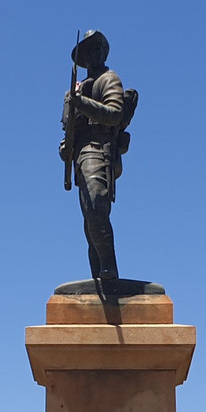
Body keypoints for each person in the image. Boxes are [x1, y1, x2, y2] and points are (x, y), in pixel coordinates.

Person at [61, 30, 125, 282]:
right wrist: (65, 148)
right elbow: (67, 127)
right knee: (89, 215)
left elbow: (115, 114)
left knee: (97, 205)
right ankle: (99, 275)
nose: (93, 53)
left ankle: (109, 268)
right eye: (88, 50)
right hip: (80, 154)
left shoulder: (109, 79)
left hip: (99, 148)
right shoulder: (74, 91)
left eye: (97, 48)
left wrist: (83, 103)